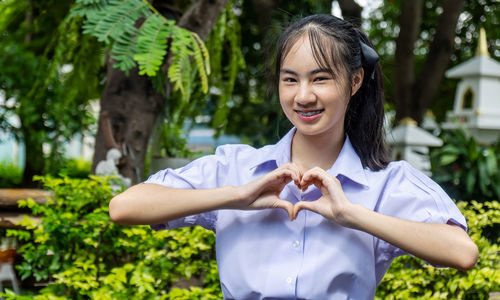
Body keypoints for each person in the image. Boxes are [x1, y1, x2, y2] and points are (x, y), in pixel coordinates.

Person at [109, 14, 478, 299]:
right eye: (290, 79)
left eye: (320, 79)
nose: (302, 96)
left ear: (354, 82)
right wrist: (237, 196)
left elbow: (461, 253)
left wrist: (351, 214)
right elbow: (125, 208)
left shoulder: (386, 182)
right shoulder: (235, 167)